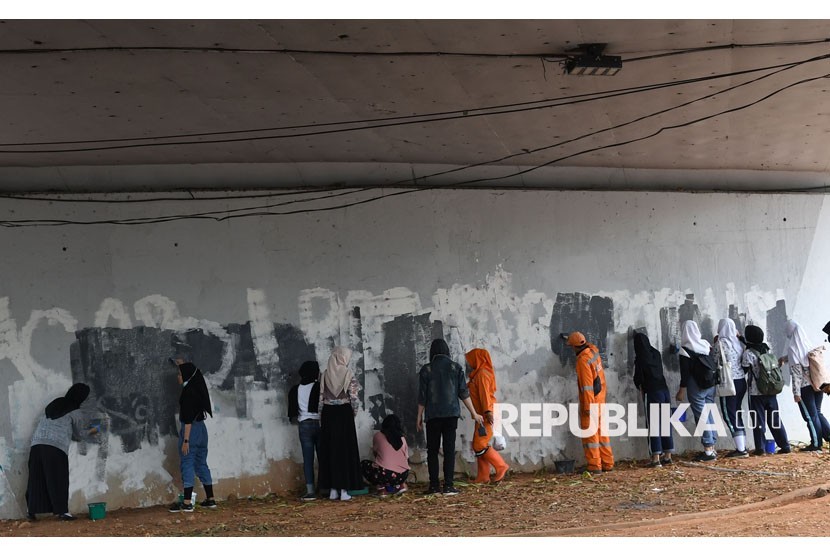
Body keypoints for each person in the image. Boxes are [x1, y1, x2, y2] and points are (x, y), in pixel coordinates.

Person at [417, 338, 484, 495]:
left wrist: (419, 416)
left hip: (433, 416)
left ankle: (434, 486)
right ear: (447, 350)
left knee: (432, 450)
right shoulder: (455, 368)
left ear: (432, 352)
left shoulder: (426, 370)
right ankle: (448, 486)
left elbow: (422, 396)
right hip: (451, 415)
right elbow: (463, 393)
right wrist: (474, 413)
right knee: (449, 449)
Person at [26, 383, 97, 521]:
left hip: (36, 445)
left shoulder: (55, 403)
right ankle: (62, 512)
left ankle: (31, 512)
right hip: (55, 447)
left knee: (36, 478)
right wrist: (95, 429)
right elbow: (80, 435)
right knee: (58, 478)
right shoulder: (75, 411)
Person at [168, 358, 217, 512]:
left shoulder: (187, 394)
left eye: (180, 374)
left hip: (191, 431)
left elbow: (188, 420)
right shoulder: (197, 389)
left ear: (186, 376)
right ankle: (211, 499)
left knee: (187, 463)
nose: (178, 376)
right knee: (201, 463)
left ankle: (187, 502)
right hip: (202, 431)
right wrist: (182, 363)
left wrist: (186, 440)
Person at [318, 346, 364, 501]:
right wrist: (352, 414)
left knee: (330, 450)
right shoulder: (348, 375)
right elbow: (354, 398)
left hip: (328, 414)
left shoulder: (324, 375)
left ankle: (332, 490)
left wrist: (321, 418)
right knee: (345, 451)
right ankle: (344, 490)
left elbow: (320, 399)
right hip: (344, 414)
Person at [567, 332, 614, 473]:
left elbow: (587, 387)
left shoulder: (582, 361)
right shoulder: (593, 352)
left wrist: (587, 407)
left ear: (575, 347)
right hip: (600, 400)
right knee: (602, 434)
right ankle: (608, 463)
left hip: (591, 403)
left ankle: (594, 466)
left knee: (590, 436)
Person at [779, 319, 829, 451]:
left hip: (805, 388)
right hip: (817, 383)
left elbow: (797, 375)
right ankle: (828, 436)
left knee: (810, 416)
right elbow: (802, 358)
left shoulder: (792, 348)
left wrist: (796, 393)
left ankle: (816, 444)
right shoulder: (806, 343)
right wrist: (785, 358)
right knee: (817, 413)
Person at [742, 325, 791, 455]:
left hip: (756, 392)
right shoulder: (767, 350)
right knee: (775, 419)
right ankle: (785, 445)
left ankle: (760, 448)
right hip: (771, 390)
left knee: (758, 421)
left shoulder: (748, 353)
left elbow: (744, 368)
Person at [465, 348, 510, 483]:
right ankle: (483, 476)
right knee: (479, 444)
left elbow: (485, 396)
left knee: (480, 444)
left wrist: (488, 413)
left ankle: (501, 466)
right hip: (483, 415)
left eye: (470, 360)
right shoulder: (479, 374)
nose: (468, 363)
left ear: (477, 359)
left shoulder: (482, 375)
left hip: (486, 414)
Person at [675, 320, 718, 461]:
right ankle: (713, 445)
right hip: (710, 385)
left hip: (696, 387)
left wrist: (681, 391)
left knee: (701, 416)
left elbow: (685, 374)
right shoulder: (705, 345)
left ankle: (708, 449)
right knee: (709, 412)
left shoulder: (685, 350)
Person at [632, 332, 674, 467]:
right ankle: (668, 456)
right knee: (665, 423)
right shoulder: (656, 353)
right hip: (664, 391)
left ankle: (655, 458)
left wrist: (639, 385)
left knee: (653, 425)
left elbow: (638, 378)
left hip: (652, 393)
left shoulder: (640, 358)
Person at [714, 318, 749, 458]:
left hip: (728, 383)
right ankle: (742, 445)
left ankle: (741, 449)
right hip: (741, 381)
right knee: (737, 412)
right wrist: (740, 336)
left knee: (729, 414)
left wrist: (713, 344)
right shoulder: (738, 343)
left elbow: (713, 360)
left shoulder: (720, 344)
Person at [287, 361, 321, 500]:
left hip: (304, 425)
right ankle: (324, 487)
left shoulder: (295, 389)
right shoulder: (319, 387)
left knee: (308, 460)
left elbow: (292, 412)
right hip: (319, 423)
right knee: (322, 457)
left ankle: (310, 490)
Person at [360, 414, 410, 496]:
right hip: (403, 475)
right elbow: (406, 457)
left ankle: (382, 489)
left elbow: (376, 454)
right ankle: (400, 485)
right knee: (394, 467)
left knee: (364, 464)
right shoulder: (402, 438)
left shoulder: (378, 436)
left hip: (385, 474)